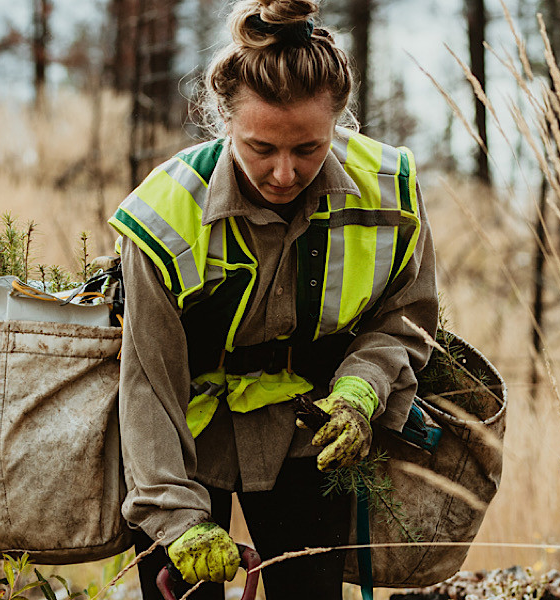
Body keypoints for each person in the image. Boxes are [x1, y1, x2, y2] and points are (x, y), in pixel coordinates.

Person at [106, 0, 438, 596]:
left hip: (307, 436)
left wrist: (366, 386)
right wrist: (177, 520)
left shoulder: (389, 194)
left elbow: (406, 317)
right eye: (261, 148)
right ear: (224, 122)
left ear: (339, 124)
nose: (285, 174)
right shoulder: (165, 217)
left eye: (308, 148)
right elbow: (147, 385)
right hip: (182, 444)